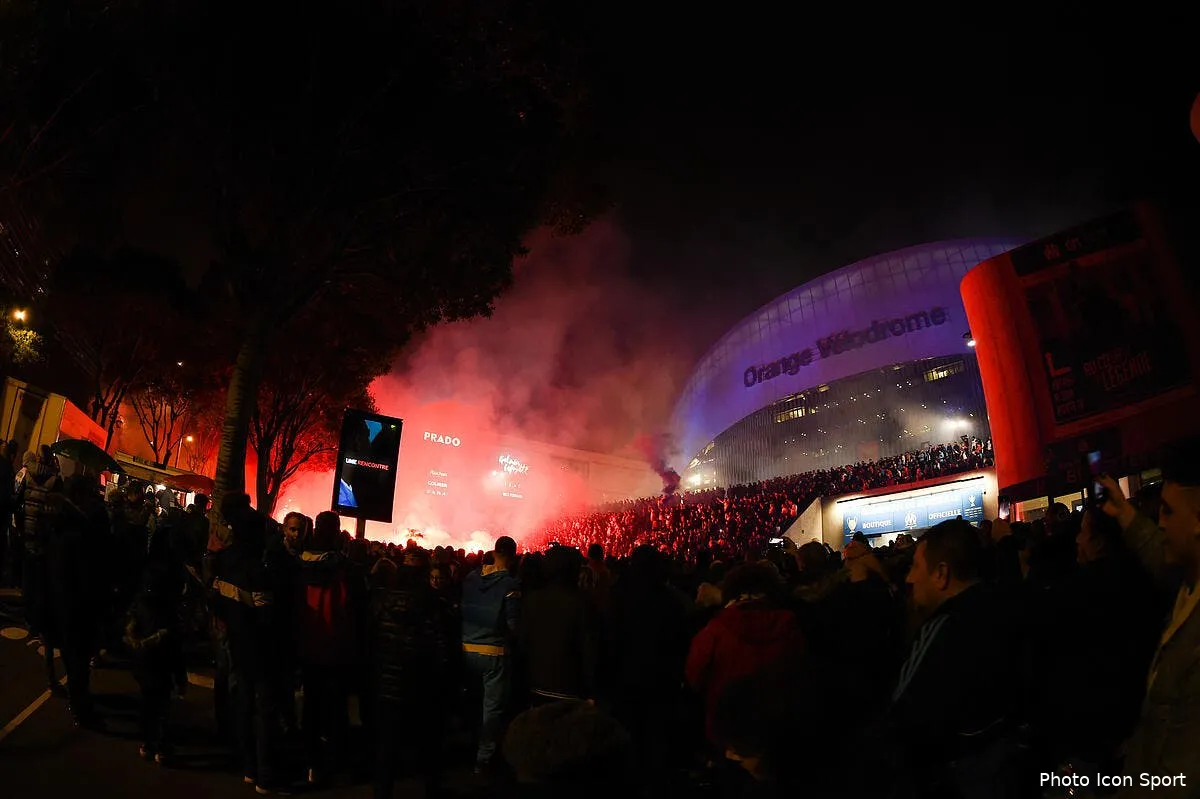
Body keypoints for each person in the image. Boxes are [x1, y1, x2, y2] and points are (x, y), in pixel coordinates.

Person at [1098, 464, 1200, 793]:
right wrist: (1125, 512)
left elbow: (1181, 772)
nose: (1161, 523)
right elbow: (1158, 552)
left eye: (1168, 512)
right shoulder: (1188, 581)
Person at [461, 535, 521, 773]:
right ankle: (483, 761)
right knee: (491, 710)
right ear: (513, 556)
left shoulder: (471, 578)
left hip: (466, 649)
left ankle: (466, 749)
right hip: (494, 653)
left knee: (472, 703)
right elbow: (513, 623)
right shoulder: (510, 586)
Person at [124, 560, 188, 764]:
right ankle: (162, 747)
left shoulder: (139, 604)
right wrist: (181, 677)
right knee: (162, 709)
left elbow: (129, 629)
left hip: (143, 666)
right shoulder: (168, 611)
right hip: (161, 666)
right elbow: (175, 647)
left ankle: (147, 743)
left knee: (146, 706)